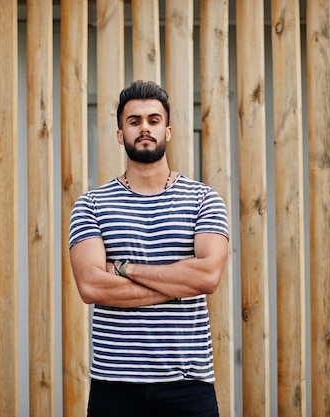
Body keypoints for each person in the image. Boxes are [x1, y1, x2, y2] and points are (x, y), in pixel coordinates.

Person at [68, 80, 229, 417]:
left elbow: (208, 277)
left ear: (167, 131)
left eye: (153, 121)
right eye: (134, 121)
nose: (144, 128)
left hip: (189, 383)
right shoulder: (91, 205)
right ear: (119, 134)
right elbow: (91, 286)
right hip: (114, 384)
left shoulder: (204, 199)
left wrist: (124, 268)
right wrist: (179, 282)